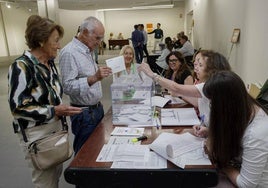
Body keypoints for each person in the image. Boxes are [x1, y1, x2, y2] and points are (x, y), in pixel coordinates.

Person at [7, 15, 82, 188]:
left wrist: (59, 111)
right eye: (55, 41)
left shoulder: (49, 63)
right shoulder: (21, 66)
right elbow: (18, 108)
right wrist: (54, 111)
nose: (59, 45)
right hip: (37, 136)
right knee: (44, 182)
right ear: (41, 41)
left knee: (54, 177)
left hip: (55, 130)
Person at [202, 71, 268, 187]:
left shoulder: (257, 133)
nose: (211, 106)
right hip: (236, 170)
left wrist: (222, 164)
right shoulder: (243, 109)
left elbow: (246, 185)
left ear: (227, 105)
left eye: (213, 103)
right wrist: (212, 133)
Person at [59, 16, 112, 154]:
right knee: (85, 153)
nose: (100, 42)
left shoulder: (87, 50)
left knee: (97, 149)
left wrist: (99, 74)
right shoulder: (69, 53)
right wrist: (94, 77)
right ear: (84, 33)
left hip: (96, 109)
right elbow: (68, 87)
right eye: (97, 38)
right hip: (84, 114)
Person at [138, 50, 231, 127]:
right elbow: (197, 102)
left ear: (212, 69)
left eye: (200, 65)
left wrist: (152, 75)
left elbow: (176, 88)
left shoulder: (211, 86)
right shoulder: (209, 85)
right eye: (195, 64)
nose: (195, 69)